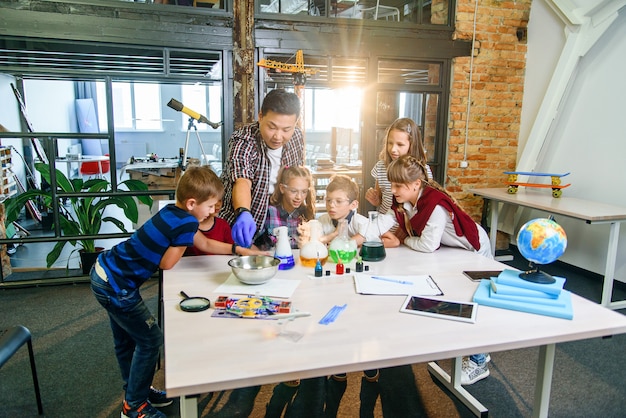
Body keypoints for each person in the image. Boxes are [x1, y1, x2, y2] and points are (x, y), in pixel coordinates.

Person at [91, 166, 232, 418]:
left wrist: (237, 250)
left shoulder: (171, 211)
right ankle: (134, 407)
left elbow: (205, 243)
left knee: (125, 342)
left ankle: (136, 393)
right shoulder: (188, 222)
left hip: (103, 272)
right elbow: (167, 263)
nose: (213, 212)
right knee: (150, 340)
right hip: (118, 286)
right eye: (210, 206)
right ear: (192, 203)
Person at [386, 154, 492, 385]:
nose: (393, 190)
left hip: (474, 249)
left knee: (472, 302)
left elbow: (427, 244)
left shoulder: (434, 205)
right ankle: (463, 349)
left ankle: (479, 360)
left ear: (416, 184)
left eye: (398, 185)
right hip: (453, 250)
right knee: (450, 296)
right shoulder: (409, 201)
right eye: (392, 184)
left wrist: (403, 241)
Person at [220, 89, 304, 250]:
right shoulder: (243, 140)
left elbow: (296, 176)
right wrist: (244, 212)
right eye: (272, 127)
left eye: (286, 129)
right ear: (260, 116)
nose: (278, 137)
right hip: (240, 224)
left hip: (275, 225)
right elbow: (242, 180)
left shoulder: (296, 137)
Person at [365, 117, 433, 216]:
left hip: (408, 228)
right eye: (390, 143)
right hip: (384, 225)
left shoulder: (422, 171)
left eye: (400, 144)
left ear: (412, 145)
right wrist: (375, 199)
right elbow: (380, 199)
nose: (393, 149)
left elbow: (425, 206)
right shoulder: (381, 167)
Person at [317, 174, 397, 247]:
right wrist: (335, 234)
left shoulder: (360, 222)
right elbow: (314, 243)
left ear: (353, 205)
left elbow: (393, 241)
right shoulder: (322, 220)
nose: (331, 205)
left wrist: (359, 244)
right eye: (328, 200)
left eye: (339, 201)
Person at [257, 165, 315, 250]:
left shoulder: (305, 214)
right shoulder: (270, 212)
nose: (299, 197)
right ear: (282, 188)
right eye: (294, 191)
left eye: (304, 192)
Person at [183, 200, 266, 256]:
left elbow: (235, 246)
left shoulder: (222, 225)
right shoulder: (185, 225)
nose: (218, 205)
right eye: (211, 204)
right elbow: (205, 244)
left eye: (220, 200)